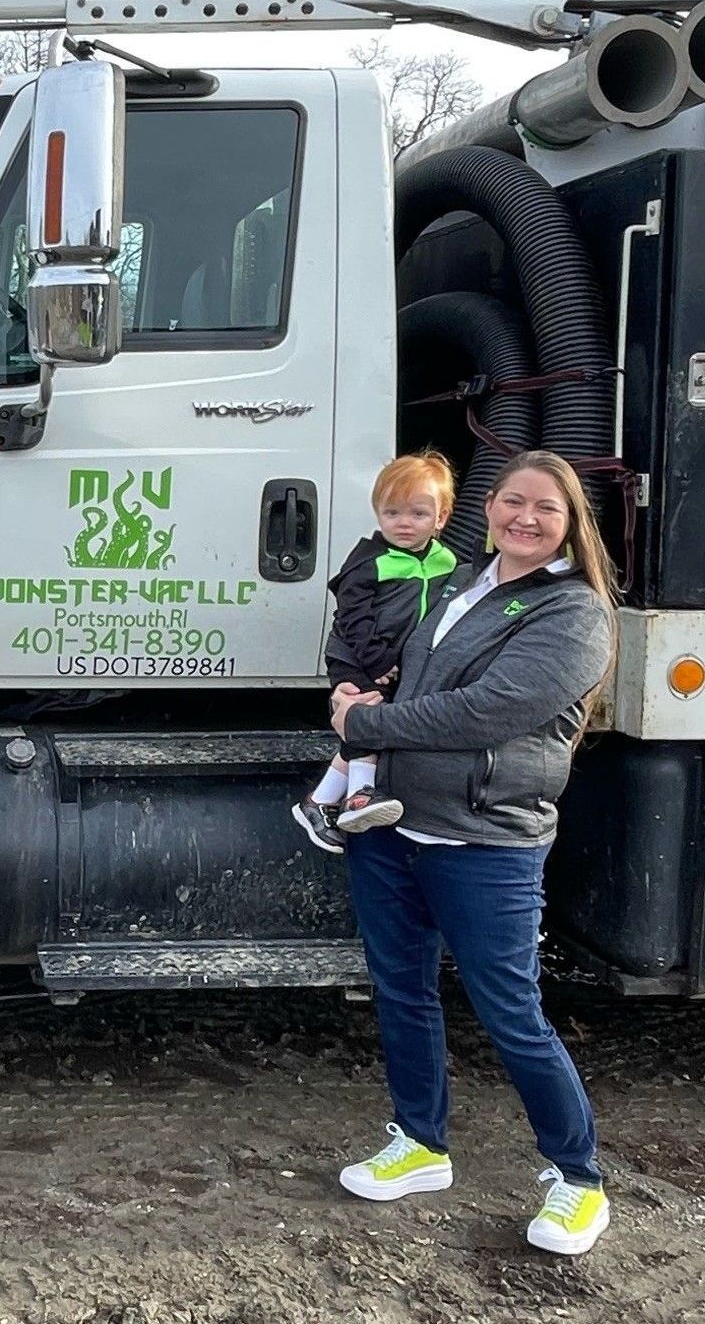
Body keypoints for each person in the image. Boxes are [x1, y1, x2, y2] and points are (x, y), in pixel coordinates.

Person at [329, 450, 617, 1255]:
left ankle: (579, 1178)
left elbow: (488, 711)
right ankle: (421, 1142)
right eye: (512, 502)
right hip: (394, 826)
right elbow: (419, 687)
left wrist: (365, 726)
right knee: (402, 990)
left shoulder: (575, 611)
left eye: (545, 509)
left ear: (570, 524)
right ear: (487, 508)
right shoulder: (461, 583)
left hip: (485, 837)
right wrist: (360, 695)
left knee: (511, 1013)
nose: (525, 518)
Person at [292, 453, 457, 853]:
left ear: (441, 518)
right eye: (392, 512)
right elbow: (352, 618)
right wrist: (379, 660)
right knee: (366, 715)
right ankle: (362, 795)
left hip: (396, 663)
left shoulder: (447, 563)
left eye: (418, 513)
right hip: (356, 655)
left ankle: (318, 802)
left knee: (376, 718)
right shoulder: (370, 561)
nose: (403, 523)